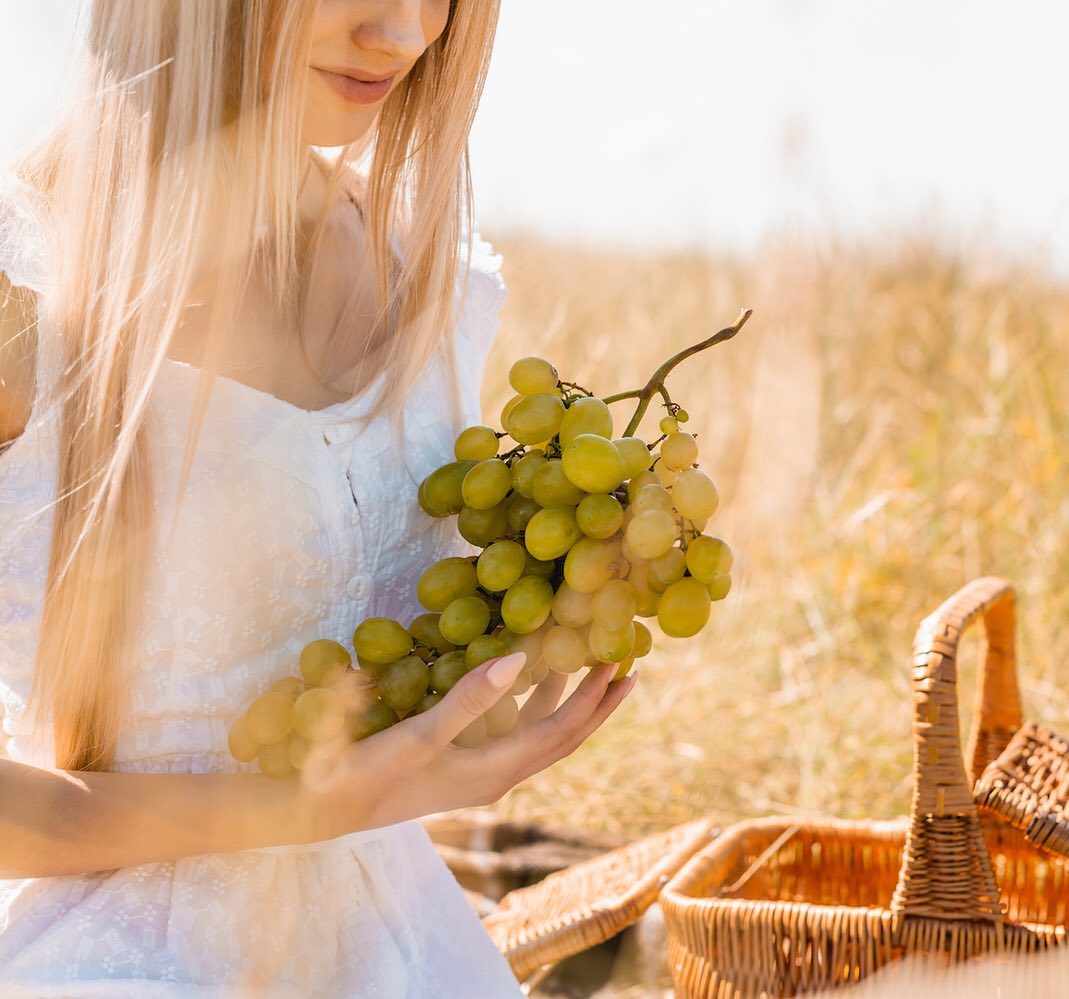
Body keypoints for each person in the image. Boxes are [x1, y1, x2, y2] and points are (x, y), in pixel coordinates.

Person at [0, 1, 637, 994]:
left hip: (407, 952)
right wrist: (296, 807)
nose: (408, 33)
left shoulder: (429, 277)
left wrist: (479, 711)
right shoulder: (24, 280)